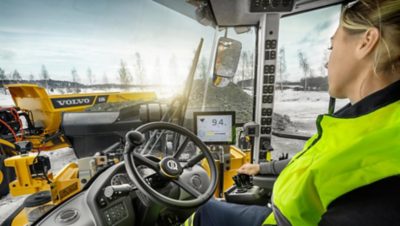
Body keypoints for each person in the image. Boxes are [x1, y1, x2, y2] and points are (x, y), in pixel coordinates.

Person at [193, 0, 400, 225]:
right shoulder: (362, 120)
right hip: (279, 215)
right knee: (206, 210)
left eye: (331, 47)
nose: (326, 63)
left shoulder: (386, 158)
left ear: (366, 42)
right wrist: (261, 167)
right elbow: (315, 167)